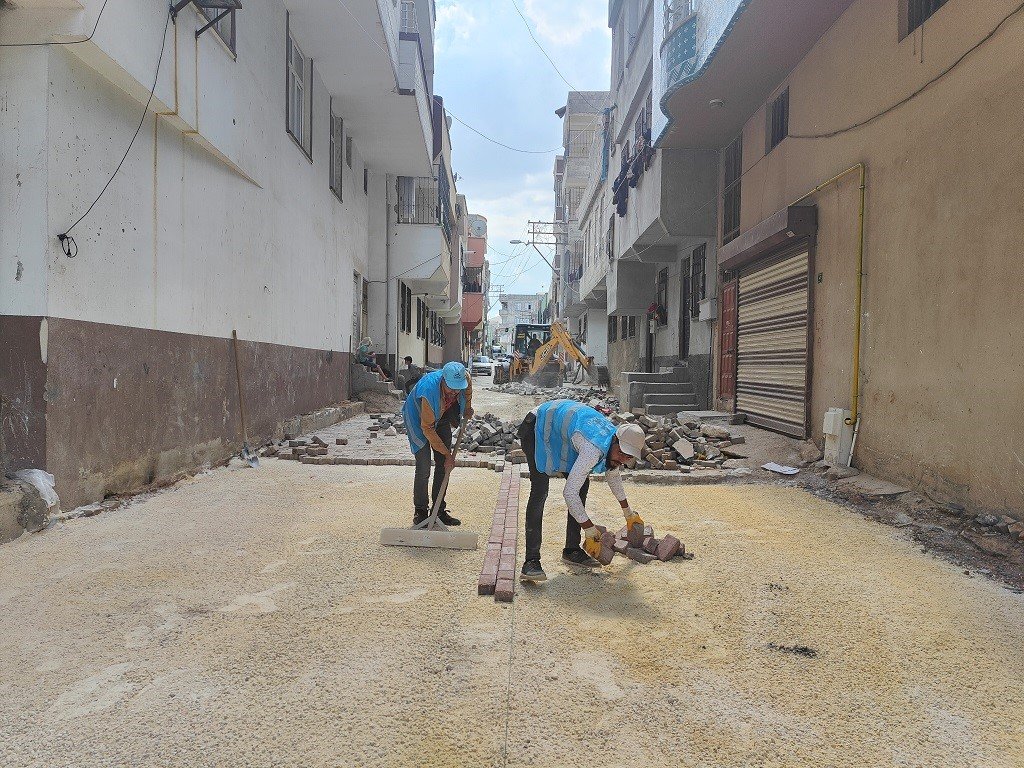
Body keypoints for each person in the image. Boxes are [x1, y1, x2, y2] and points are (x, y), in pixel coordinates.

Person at [517, 399, 646, 582]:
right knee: (540, 490)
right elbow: (569, 493)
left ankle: (572, 550)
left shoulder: (612, 442)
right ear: (615, 441)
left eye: (628, 457)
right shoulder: (593, 448)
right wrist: (590, 529)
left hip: (562, 434)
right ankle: (531, 562)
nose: (623, 459)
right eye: (621, 453)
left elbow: (613, 474)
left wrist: (628, 513)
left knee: (582, 484)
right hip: (538, 426)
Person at [403, 361, 474, 526]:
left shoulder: (465, 378)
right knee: (424, 466)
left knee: (444, 466)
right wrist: (447, 454)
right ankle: (420, 512)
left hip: (441, 415)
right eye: (451, 388)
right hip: (418, 419)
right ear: (443, 381)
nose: (455, 392)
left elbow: (467, 393)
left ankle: (439, 511)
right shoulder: (428, 391)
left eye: (458, 388)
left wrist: (466, 409)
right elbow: (427, 428)